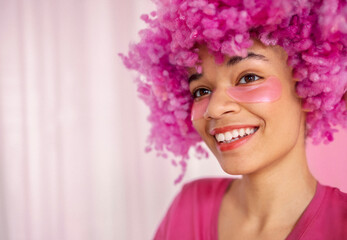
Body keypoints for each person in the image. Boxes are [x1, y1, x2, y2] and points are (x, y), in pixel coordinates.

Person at [121, 0, 347, 239]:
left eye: (248, 78)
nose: (215, 109)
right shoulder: (188, 206)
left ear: (309, 86)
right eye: (201, 91)